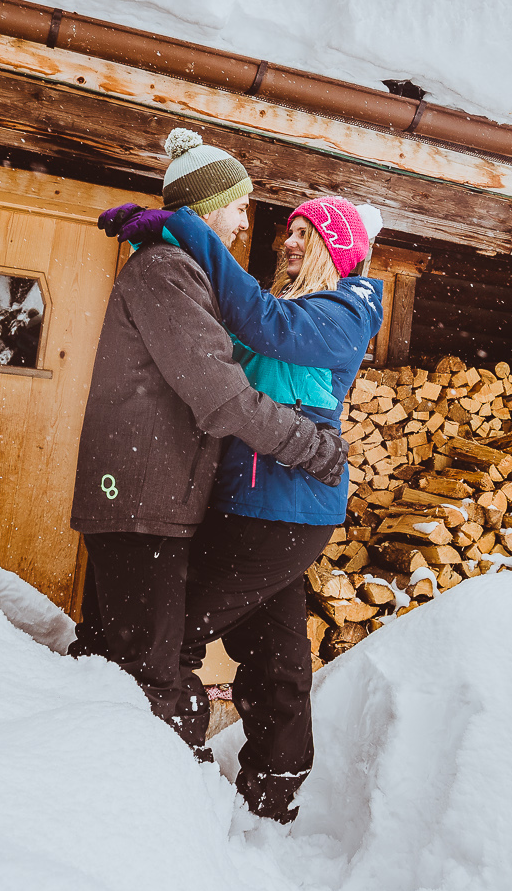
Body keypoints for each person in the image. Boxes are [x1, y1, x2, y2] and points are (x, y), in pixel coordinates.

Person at [104, 190, 384, 823]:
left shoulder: (348, 309)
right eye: (290, 230)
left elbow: (264, 324)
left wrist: (186, 227)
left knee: (169, 634)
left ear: (337, 248)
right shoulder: (297, 306)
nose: (289, 241)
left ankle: (172, 770)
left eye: (306, 232)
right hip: (254, 504)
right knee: (275, 653)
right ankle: (274, 789)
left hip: (282, 508)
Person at [67, 129, 347, 751]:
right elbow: (221, 395)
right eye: (239, 205)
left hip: (152, 498)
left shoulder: (182, 269)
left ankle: (96, 767)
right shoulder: (167, 271)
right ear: (209, 206)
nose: (247, 222)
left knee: (120, 656)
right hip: (142, 501)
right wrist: (308, 445)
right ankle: (149, 785)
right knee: (149, 673)